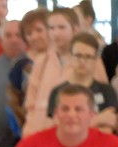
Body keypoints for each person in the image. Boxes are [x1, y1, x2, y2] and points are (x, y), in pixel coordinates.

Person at [22, 7, 108, 137]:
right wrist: (28, 135)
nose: (56, 33)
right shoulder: (41, 61)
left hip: (77, 137)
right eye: (51, 28)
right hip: (40, 135)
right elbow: (31, 104)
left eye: (61, 27)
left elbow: (102, 100)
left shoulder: (91, 61)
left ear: (74, 29)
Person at [48, 32, 117, 133]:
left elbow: (108, 128)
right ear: (70, 57)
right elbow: (59, 129)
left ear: (96, 60)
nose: (83, 61)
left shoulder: (107, 90)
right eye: (78, 55)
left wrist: (74, 125)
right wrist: (99, 120)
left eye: (88, 57)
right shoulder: (58, 91)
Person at [7, 8, 50, 132]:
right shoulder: (19, 65)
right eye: (29, 33)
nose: (34, 36)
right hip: (28, 126)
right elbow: (14, 100)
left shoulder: (61, 60)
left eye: (39, 30)